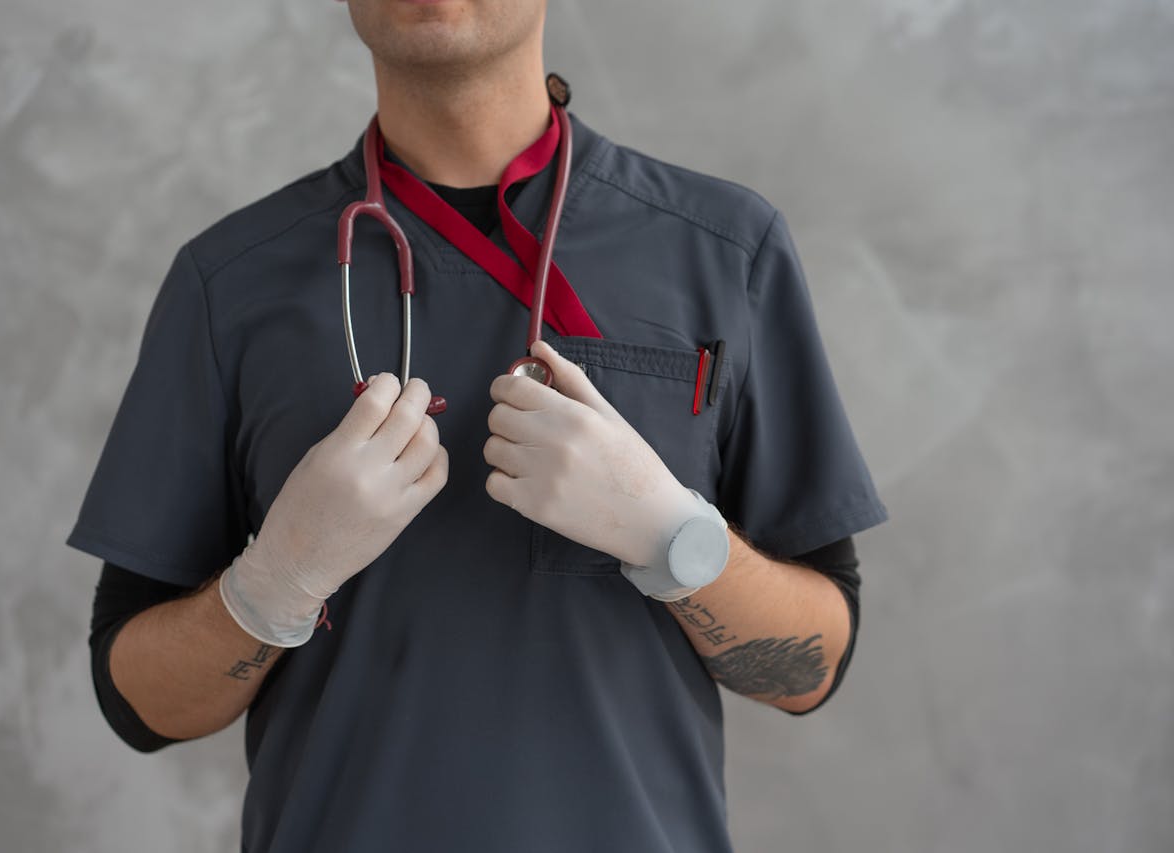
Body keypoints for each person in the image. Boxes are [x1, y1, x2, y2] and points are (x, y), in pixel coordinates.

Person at [67, 1, 888, 850]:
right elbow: (139, 703)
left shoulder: (724, 251)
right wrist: (273, 582)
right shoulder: (230, 285)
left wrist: (675, 538)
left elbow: (812, 668)